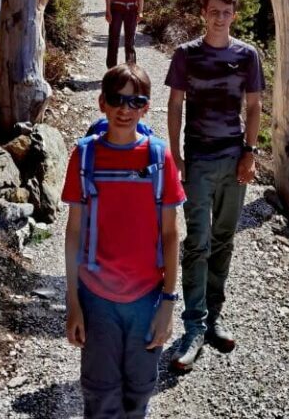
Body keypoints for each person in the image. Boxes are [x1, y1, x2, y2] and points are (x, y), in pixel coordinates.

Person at [63, 63, 185, 419]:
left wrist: (168, 303)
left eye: (135, 102)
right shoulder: (84, 156)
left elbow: (171, 234)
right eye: (116, 100)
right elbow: (73, 233)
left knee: (140, 389)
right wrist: (73, 302)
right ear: (101, 103)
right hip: (96, 297)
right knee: (100, 393)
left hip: (147, 298)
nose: (124, 109)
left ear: (146, 107)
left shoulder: (158, 158)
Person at [165, 0, 263, 373]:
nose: (219, 17)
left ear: (233, 15)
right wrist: (176, 156)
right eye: (213, 11)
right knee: (197, 243)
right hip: (200, 161)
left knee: (223, 240)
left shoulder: (247, 56)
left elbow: (254, 107)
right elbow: (174, 105)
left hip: (234, 159)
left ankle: (213, 318)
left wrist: (250, 153)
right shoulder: (186, 55)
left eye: (226, 12)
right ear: (203, 13)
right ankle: (193, 327)